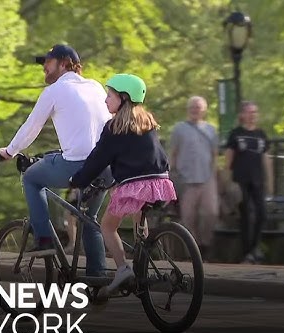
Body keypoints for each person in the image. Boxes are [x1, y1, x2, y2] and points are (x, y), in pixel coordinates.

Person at [0, 44, 112, 277]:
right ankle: (97, 279)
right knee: (89, 220)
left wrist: (9, 151)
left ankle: (44, 239)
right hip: (106, 167)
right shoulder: (96, 87)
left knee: (31, 178)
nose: (44, 68)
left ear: (64, 63)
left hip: (77, 165)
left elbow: (31, 128)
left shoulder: (55, 91)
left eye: (47, 62)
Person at [70, 73, 176, 293]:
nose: (106, 99)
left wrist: (78, 180)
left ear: (124, 98)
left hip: (134, 184)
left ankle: (123, 269)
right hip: (160, 180)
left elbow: (97, 160)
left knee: (107, 227)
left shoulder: (114, 127)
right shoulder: (148, 121)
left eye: (110, 95)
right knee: (139, 213)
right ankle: (143, 258)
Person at [169, 96, 220, 261]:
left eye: (198, 107)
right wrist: (171, 175)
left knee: (211, 213)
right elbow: (174, 153)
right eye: (192, 106)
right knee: (188, 216)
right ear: (188, 109)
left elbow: (214, 155)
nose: (195, 109)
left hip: (207, 178)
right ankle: (196, 248)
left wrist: (213, 175)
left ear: (204, 110)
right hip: (186, 179)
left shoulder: (211, 130)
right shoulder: (179, 129)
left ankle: (205, 243)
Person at [225, 101, 272, 264]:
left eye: (255, 112)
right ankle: (247, 253)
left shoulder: (261, 135)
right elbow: (228, 159)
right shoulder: (235, 134)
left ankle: (253, 249)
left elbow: (266, 159)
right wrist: (228, 181)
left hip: (257, 181)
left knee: (262, 214)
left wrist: (269, 181)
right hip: (240, 181)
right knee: (246, 215)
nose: (253, 115)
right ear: (242, 115)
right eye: (249, 112)